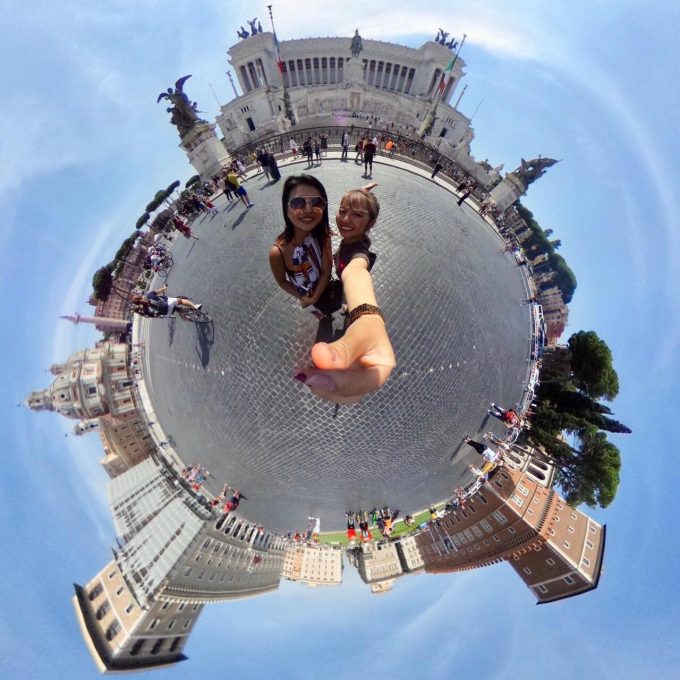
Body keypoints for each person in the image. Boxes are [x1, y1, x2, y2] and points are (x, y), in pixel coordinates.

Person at [292, 181, 396, 403]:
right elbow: (354, 210)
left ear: (371, 222)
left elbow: (356, 273)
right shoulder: (352, 236)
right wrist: (363, 192)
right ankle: (345, 307)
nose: (345, 219)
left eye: (357, 215)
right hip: (341, 282)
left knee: (346, 299)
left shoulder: (359, 256)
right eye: (342, 211)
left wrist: (368, 317)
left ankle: (345, 312)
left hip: (347, 281)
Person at [269, 175, 336, 320]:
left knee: (327, 309)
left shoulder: (323, 235)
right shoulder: (277, 252)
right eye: (298, 202)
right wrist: (303, 297)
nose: (308, 209)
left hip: (325, 288)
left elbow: (326, 270)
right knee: (319, 315)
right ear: (286, 210)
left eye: (316, 202)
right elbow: (282, 281)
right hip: (305, 297)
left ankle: (327, 314)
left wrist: (315, 297)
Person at [131, 285, 202, 318]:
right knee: (181, 301)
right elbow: (161, 290)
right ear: (139, 296)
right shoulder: (149, 294)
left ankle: (187, 316)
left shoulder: (144, 310)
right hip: (168, 303)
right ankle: (195, 306)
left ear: (138, 304)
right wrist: (165, 287)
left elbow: (155, 316)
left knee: (176, 309)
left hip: (167, 313)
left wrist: (158, 314)